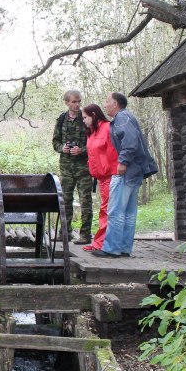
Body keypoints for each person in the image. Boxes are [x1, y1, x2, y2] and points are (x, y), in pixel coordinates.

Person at [92, 92, 159, 258]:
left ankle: (111, 248)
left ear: (115, 104)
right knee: (129, 212)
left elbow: (130, 142)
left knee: (115, 211)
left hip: (127, 171)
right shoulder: (126, 117)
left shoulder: (122, 118)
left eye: (107, 101)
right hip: (136, 171)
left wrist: (123, 162)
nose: (105, 105)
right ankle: (124, 248)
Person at [52, 89, 93, 244]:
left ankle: (85, 235)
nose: (77, 104)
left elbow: (95, 142)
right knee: (65, 200)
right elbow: (55, 141)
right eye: (74, 102)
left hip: (84, 167)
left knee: (85, 201)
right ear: (67, 102)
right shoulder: (62, 119)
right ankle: (65, 232)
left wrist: (81, 150)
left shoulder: (86, 118)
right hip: (66, 167)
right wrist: (63, 148)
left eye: (78, 101)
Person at [81, 104, 117, 252]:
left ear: (94, 115)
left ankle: (101, 243)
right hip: (100, 177)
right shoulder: (92, 132)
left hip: (110, 176)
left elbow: (114, 152)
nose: (83, 121)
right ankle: (100, 242)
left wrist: (114, 172)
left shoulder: (108, 127)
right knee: (105, 209)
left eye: (85, 118)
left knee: (107, 210)